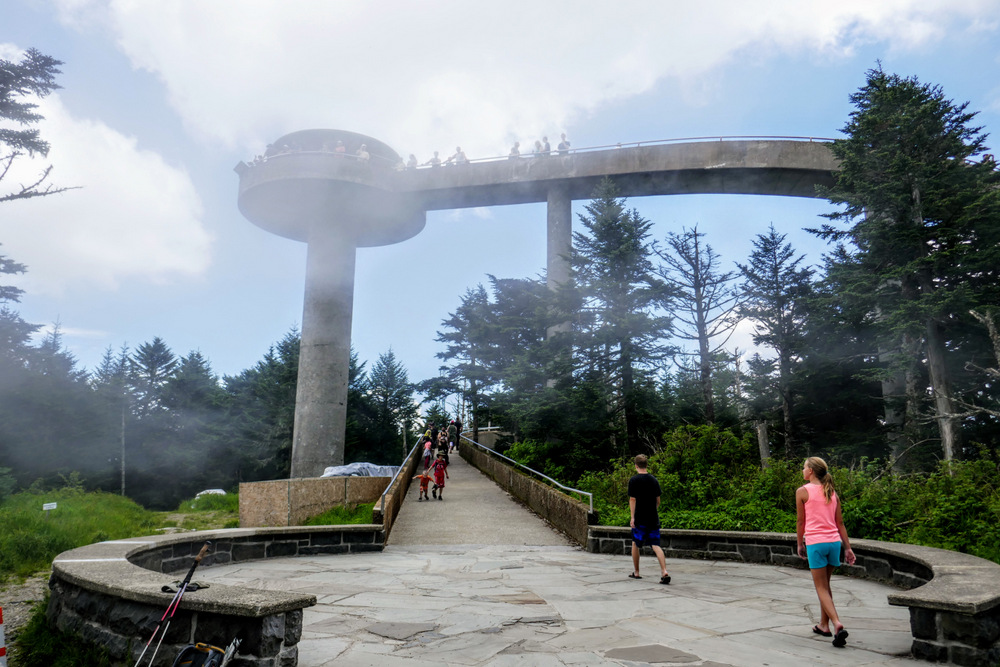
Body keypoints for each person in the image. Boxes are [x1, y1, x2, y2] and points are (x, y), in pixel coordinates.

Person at [797, 456, 855, 648]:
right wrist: (847, 548)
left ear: (811, 471)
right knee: (826, 586)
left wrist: (799, 543)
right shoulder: (832, 492)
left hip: (816, 543)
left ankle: (837, 623)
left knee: (820, 588)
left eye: (804, 467)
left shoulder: (802, 492)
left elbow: (800, 522)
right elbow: (840, 523)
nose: (803, 470)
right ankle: (824, 625)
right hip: (833, 544)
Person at [627, 454, 671, 584]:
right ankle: (664, 571)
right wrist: (653, 509)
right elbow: (658, 500)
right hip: (653, 517)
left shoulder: (633, 481)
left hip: (640, 517)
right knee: (656, 545)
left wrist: (632, 517)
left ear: (636, 465)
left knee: (635, 543)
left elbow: (633, 499)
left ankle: (636, 572)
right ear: (646, 465)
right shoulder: (654, 480)